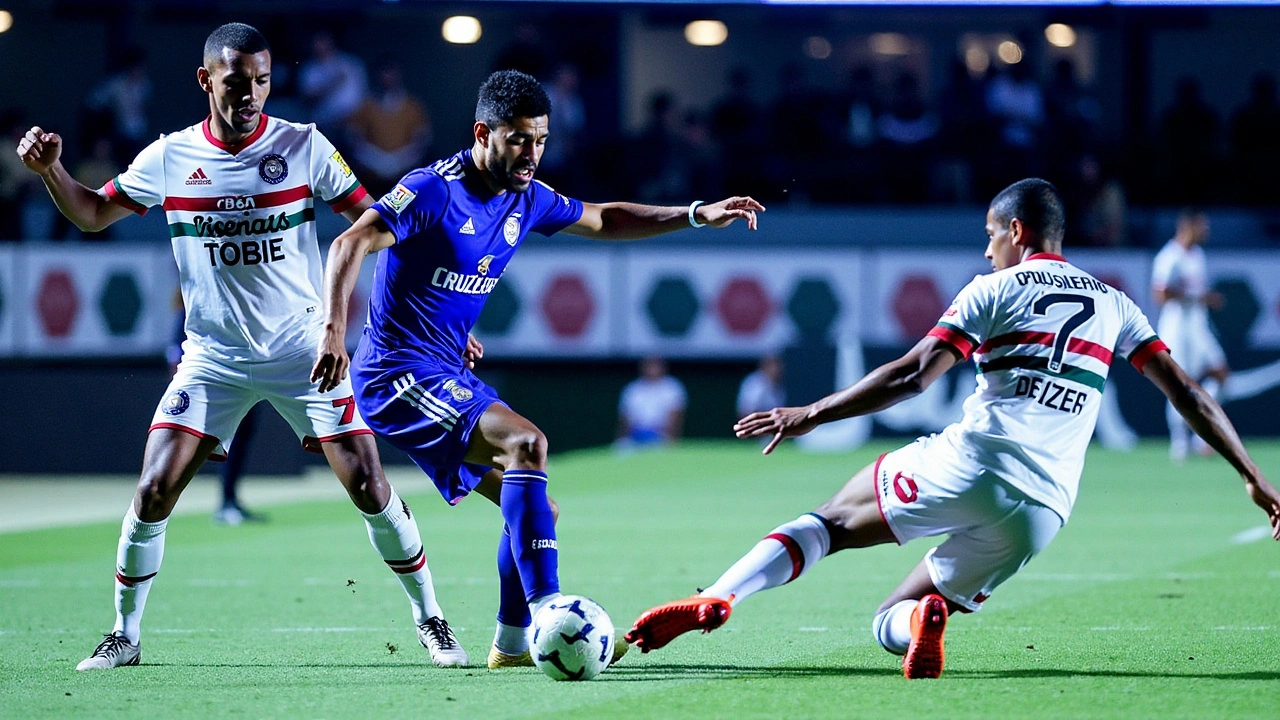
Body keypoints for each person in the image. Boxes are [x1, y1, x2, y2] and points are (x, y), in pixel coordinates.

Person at [626, 179, 1280, 679]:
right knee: (890, 618)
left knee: (827, 524)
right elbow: (1188, 393)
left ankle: (718, 596)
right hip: (1048, 508)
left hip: (971, 462)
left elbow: (913, 376)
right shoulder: (1115, 303)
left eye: (991, 234)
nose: (986, 247)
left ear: (1017, 232)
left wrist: (810, 413)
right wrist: (1253, 476)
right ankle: (923, 617)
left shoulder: (992, 289)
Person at [16, 23, 466, 671]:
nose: (251, 93)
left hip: (304, 352)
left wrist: (443, 311)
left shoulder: (305, 146)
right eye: (236, 82)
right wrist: (52, 170)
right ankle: (124, 634)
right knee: (152, 492)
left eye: (262, 81)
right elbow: (90, 214)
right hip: (213, 357)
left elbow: (376, 227)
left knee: (368, 482)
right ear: (206, 81)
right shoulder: (169, 157)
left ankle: (432, 620)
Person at [310, 69, 764, 670]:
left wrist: (695, 214)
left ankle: (513, 643)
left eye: (541, 140)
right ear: (483, 132)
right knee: (527, 443)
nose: (532, 153)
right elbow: (348, 244)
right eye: (520, 139)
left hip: (444, 369)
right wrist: (333, 334)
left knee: (538, 510)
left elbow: (605, 219)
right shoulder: (431, 189)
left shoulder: (526, 196)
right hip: (395, 374)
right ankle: (551, 609)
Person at [1152, 209, 1228, 462]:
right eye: (1202, 226)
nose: (1206, 232)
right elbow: (1160, 295)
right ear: (1188, 226)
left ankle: (1199, 438)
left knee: (1220, 372)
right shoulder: (1169, 256)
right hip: (1177, 328)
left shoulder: (1197, 255)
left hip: (1198, 326)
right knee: (1180, 384)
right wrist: (1198, 297)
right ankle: (1180, 442)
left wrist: (1203, 299)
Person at [616, 356, 687, 449]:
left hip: (661, 436)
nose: (652, 369)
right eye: (649, 366)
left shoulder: (672, 387)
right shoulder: (632, 389)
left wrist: (673, 440)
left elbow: (675, 417)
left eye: (655, 366)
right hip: (635, 437)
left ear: (662, 368)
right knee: (621, 448)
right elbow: (625, 420)